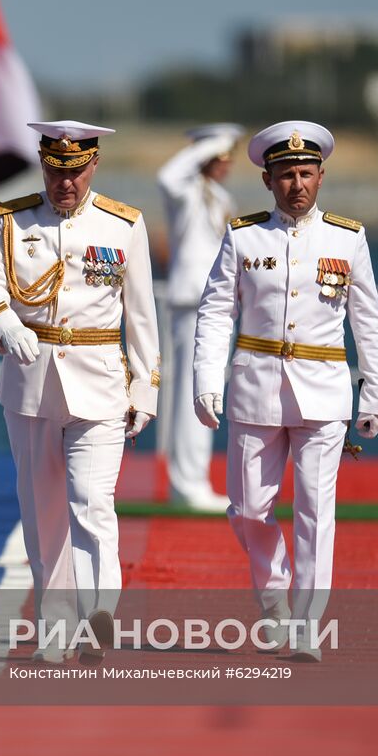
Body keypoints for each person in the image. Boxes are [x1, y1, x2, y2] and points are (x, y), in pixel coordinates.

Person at [193, 121, 378, 661]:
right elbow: (215, 312)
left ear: (321, 177)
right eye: (286, 175)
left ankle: (306, 625)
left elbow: (367, 320)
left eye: (306, 173)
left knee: (314, 509)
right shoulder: (243, 235)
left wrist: (376, 392)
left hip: (324, 392)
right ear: (267, 179)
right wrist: (206, 380)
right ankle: (273, 599)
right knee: (248, 508)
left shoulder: (347, 238)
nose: (296, 184)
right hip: (256, 388)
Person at [0, 121, 160, 665]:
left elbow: (142, 318)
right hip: (29, 385)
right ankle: (56, 627)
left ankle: (99, 613)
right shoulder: (12, 220)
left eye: (75, 171)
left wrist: (145, 391)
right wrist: (5, 324)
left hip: (100, 383)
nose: (65, 183)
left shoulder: (124, 225)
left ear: (93, 166)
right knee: (43, 512)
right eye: (56, 170)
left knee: (92, 501)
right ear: (43, 166)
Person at [157, 123, 242, 512]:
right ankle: (187, 482)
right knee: (191, 394)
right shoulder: (186, 191)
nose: (227, 164)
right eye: (220, 156)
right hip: (191, 301)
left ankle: (192, 479)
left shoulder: (221, 197)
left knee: (208, 392)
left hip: (218, 304)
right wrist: (206, 147)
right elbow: (167, 174)